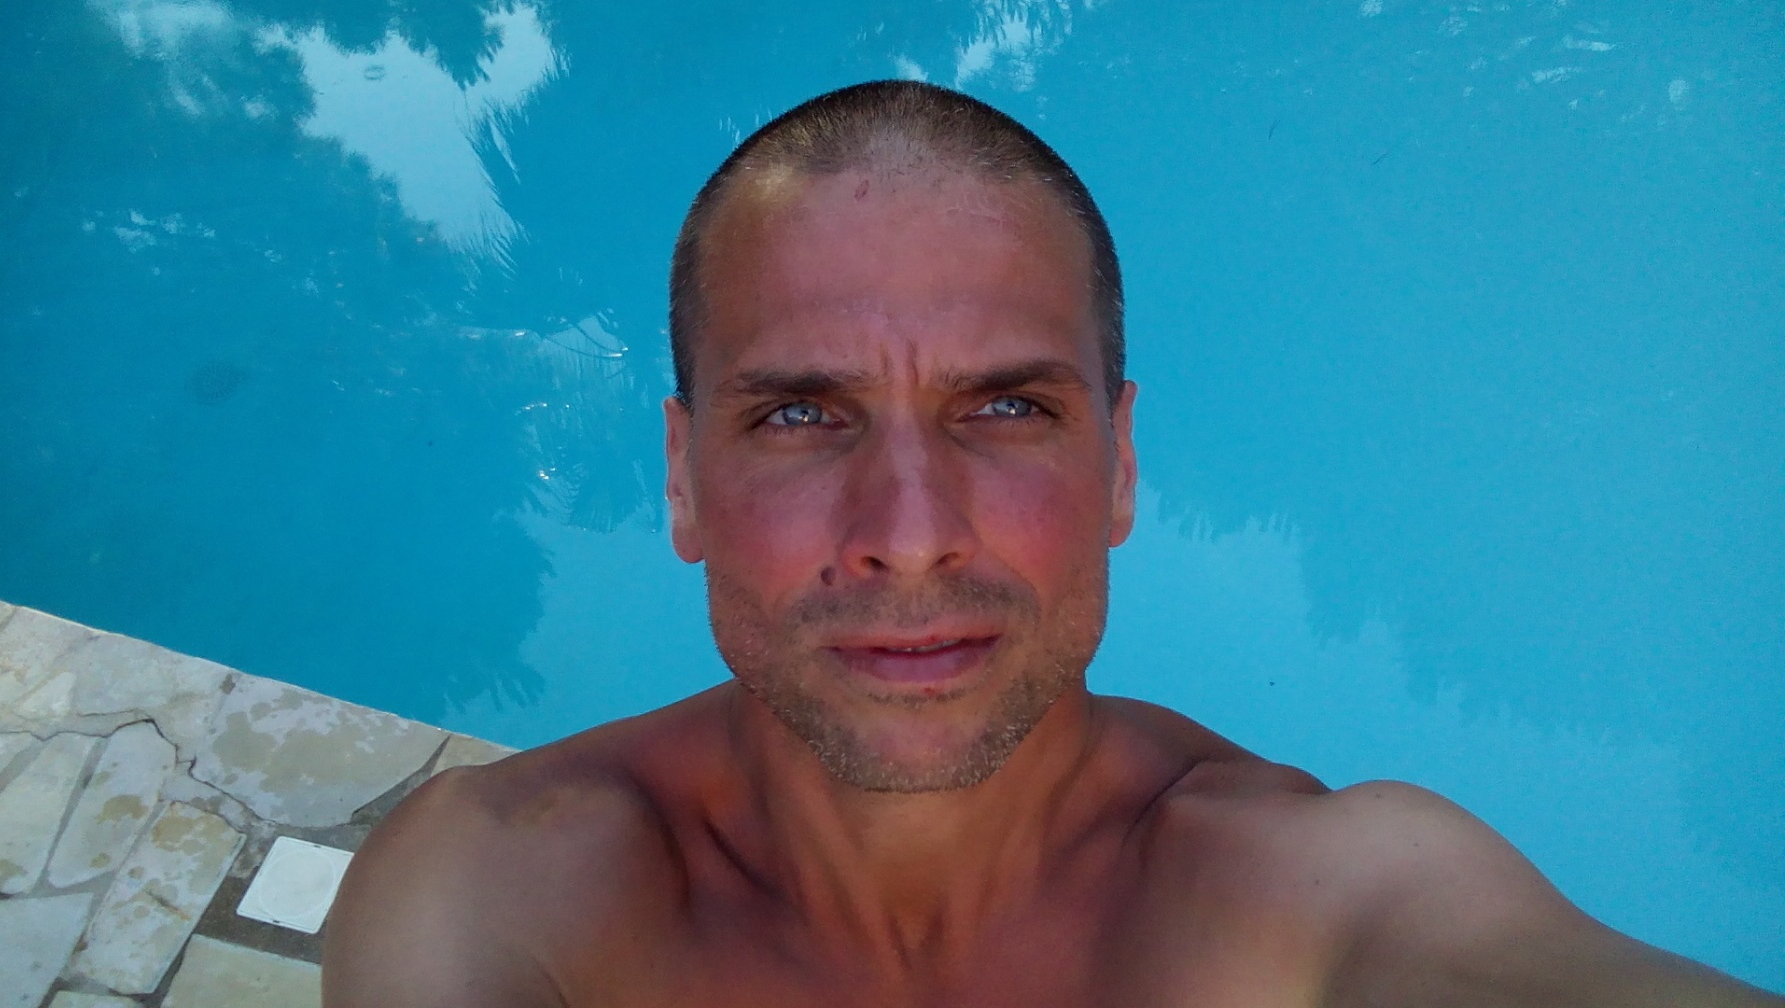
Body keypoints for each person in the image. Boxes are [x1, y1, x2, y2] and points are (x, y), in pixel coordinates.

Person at [323, 80, 1780, 1008]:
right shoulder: (502, 895)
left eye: (1006, 407)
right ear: (682, 479)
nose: (908, 539)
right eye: (801, 415)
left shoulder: (1321, 903)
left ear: (1122, 465)